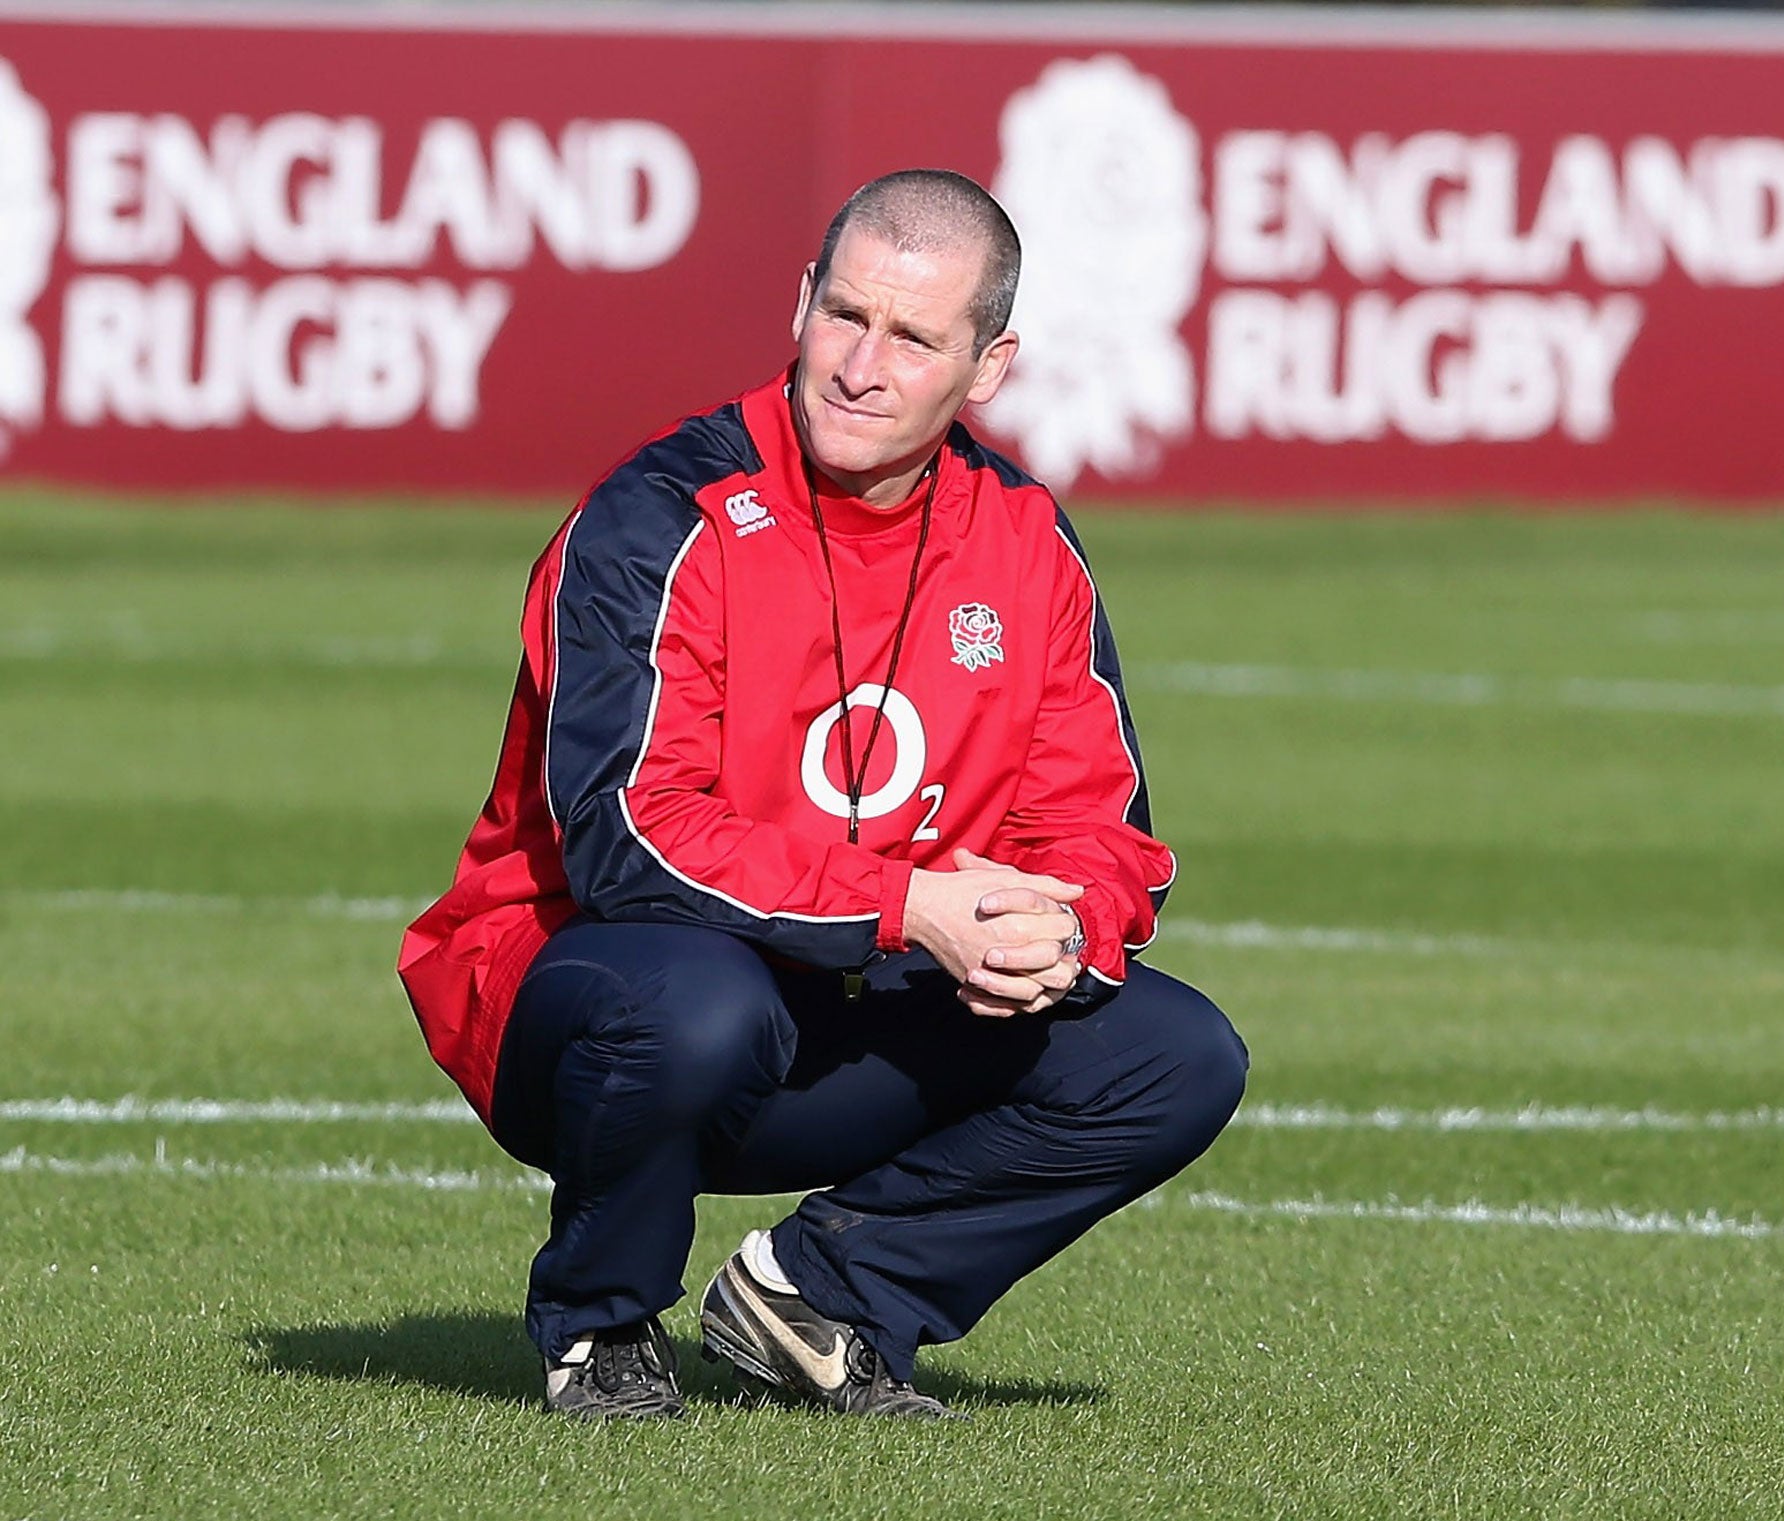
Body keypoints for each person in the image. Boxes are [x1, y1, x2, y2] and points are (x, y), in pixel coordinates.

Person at [397, 168, 1248, 1421]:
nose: (861, 363)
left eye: (913, 337)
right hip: (597, 998)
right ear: (799, 305)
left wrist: (1062, 926)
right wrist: (906, 907)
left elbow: (1097, 828)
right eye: (844, 316)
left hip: (853, 1002)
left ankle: (818, 1298)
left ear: (988, 367)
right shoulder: (658, 515)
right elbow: (628, 839)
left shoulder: (1021, 540)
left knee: (1174, 1055)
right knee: (698, 1007)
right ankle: (601, 1328)